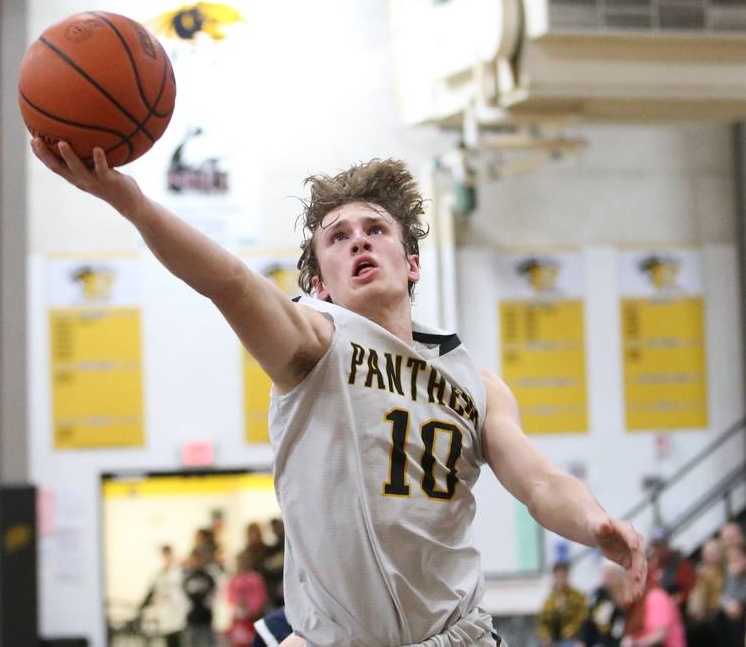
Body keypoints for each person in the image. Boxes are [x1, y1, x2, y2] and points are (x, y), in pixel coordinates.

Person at [31, 139, 646, 647]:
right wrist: (131, 203)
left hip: (455, 634)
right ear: (318, 284)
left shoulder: (475, 383)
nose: (358, 240)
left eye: (375, 229)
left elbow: (539, 484)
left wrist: (594, 521)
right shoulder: (314, 345)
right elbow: (228, 282)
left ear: (410, 263)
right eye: (337, 236)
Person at [621, 567, 686, 647]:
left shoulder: (656, 596)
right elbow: (632, 630)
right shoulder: (637, 604)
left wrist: (636, 644)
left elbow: (661, 634)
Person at [138, 545, 188, 647]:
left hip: (177, 610)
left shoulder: (180, 570)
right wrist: (143, 605)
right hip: (165, 611)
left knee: (178, 638)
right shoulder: (160, 573)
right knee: (169, 639)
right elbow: (153, 590)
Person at [536, 562, 588, 646]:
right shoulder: (550, 599)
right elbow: (543, 621)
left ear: (567, 576)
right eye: (558, 577)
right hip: (553, 640)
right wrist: (545, 636)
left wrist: (569, 632)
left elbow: (582, 619)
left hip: (572, 638)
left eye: (563, 577)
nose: (560, 580)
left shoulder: (577, 597)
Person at [647, 528, 696, 616]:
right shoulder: (652, 567)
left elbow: (692, 589)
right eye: (654, 546)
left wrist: (680, 598)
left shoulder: (680, 564)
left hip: (681, 613)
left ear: (667, 545)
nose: (656, 550)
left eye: (659, 546)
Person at [686, 537, 725, 647]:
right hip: (712, 616)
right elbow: (695, 607)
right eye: (708, 553)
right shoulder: (701, 575)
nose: (711, 556)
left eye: (714, 552)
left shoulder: (727, 569)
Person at [582, 562, 627, 647]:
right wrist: (582, 641)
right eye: (605, 575)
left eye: (609, 576)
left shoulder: (623, 594)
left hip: (614, 639)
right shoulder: (598, 593)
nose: (605, 579)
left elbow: (620, 623)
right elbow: (588, 619)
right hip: (595, 639)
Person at [184, 548, 218, 647]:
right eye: (194, 559)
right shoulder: (186, 578)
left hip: (206, 620)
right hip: (191, 620)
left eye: (199, 559)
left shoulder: (209, 577)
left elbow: (213, 596)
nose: (196, 562)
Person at [717, 544, 746, 647]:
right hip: (736, 614)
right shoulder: (731, 574)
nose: (735, 563)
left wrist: (737, 603)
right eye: (732, 560)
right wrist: (730, 604)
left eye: (738, 558)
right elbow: (723, 596)